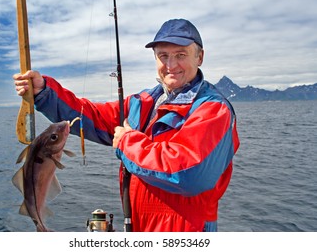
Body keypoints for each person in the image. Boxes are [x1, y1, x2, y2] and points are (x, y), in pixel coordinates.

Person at [13, 18, 240, 232]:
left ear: (199, 57)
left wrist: (128, 143)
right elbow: (92, 117)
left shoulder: (213, 109)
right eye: (163, 56)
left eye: (181, 55)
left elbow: (190, 172)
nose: (171, 65)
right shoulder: (144, 102)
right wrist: (44, 92)